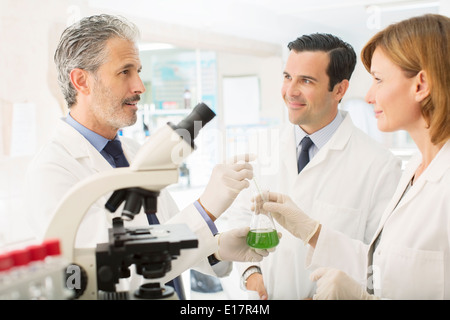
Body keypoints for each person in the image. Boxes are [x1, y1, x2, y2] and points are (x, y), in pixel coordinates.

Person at [25, 14, 271, 297]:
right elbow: (106, 273)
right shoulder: (51, 170)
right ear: (81, 81)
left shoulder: (131, 151)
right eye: (125, 72)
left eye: (138, 71)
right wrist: (206, 208)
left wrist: (215, 248)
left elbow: (165, 235)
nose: (140, 86)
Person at [262, 14, 450, 299]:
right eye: (287, 77)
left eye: (378, 80)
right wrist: (313, 231)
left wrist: (363, 298)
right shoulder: (417, 168)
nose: (369, 96)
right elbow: (384, 264)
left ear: (420, 85)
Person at [230, 33, 402, 299]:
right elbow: (240, 217)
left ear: (340, 89)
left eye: (306, 81)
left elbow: (382, 263)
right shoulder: (263, 146)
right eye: (288, 77)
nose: (290, 91)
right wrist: (250, 273)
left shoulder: (380, 166)